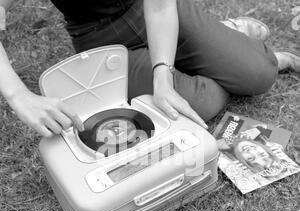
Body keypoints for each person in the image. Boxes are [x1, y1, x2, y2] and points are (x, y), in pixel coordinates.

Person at [0, 0, 299, 137]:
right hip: (101, 38)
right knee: (204, 103)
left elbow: (159, 6)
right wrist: (18, 96)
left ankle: (221, 40)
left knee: (260, 73)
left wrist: (162, 77)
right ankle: (216, 43)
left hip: (156, 9)